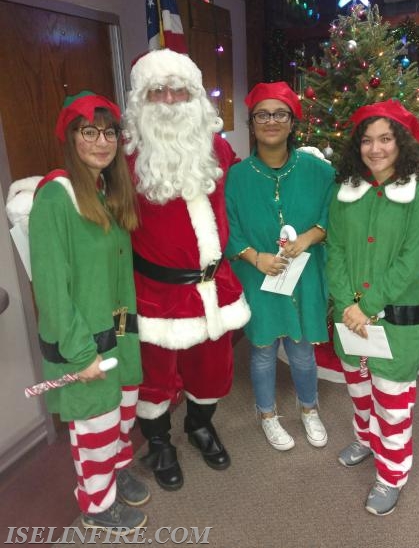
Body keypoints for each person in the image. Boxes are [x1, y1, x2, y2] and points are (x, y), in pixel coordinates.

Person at [123, 49, 251, 491]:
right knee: (153, 380)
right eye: (157, 92)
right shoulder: (125, 157)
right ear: (142, 101)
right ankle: (159, 442)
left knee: (212, 371)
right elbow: (84, 197)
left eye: (179, 90)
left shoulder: (216, 147)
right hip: (153, 292)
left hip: (214, 287)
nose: (170, 101)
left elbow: (248, 190)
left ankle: (200, 425)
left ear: (195, 96)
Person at [28, 91, 149, 535]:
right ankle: (97, 501)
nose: (102, 141)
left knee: (120, 413)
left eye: (110, 132)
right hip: (86, 341)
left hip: (119, 334)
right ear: (71, 137)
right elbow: (51, 289)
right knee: (94, 424)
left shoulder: (106, 191)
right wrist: (81, 355)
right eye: (89, 131)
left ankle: (115, 473)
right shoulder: (56, 196)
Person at [326, 99, 419, 516]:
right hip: (351, 320)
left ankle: (391, 473)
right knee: (359, 389)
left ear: (402, 143)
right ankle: (364, 439)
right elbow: (334, 250)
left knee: (392, 401)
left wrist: (367, 306)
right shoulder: (346, 192)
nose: (375, 149)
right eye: (368, 140)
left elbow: (413, 264)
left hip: (395, 324)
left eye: (386, 139)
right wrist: (345, 303)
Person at [224, 82, 335, 451]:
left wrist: (310, 236)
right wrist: (256, 257)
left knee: (302, 349)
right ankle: (267, 414)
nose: (271, 121)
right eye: (262, 115)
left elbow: (333, 214)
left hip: (303, 276)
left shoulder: (319, 171)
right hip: (259, 277)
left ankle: (308, 409)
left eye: (280, 114)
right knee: (263, 349)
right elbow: (229, 229)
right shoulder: (236, 178)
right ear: (252, 123)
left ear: (292, 123)